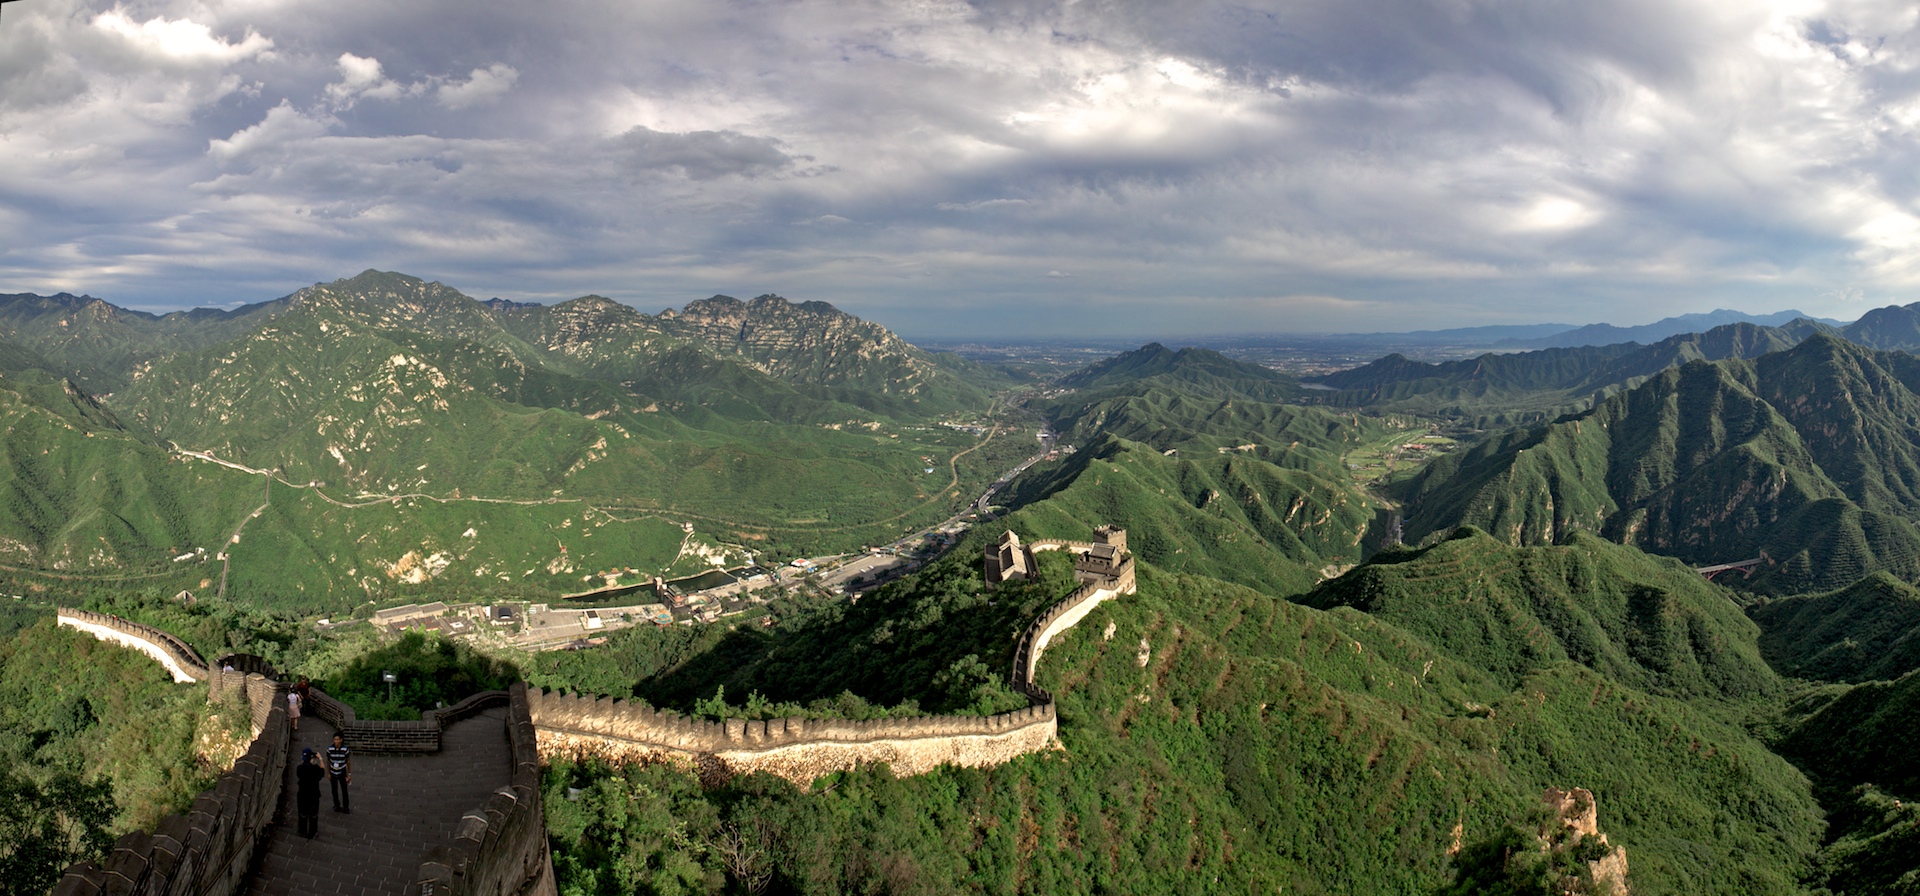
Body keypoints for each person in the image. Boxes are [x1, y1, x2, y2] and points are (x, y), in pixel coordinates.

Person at [295, 748, 324, 838]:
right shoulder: (315, 769)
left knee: (302, 813)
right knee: (313, 815)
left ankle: (302, 830)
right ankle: (312, 832)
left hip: (302, 794)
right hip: (313, 795)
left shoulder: (299, 768)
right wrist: (320, 759)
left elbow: (299, 776)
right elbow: (322, 771)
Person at [326, 733, 351, 813]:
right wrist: (329, 773)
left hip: (342, 771)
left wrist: (349, 774)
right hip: (333, 771)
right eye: (334, 740)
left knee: (344, 790)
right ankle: (336, 804)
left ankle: (346, 806)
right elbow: (328, 761)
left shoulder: (345, 749)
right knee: (334, 790)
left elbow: (348, 761)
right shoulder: (330, 749)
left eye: (337, 739)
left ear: (341, 740)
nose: (336, 741)